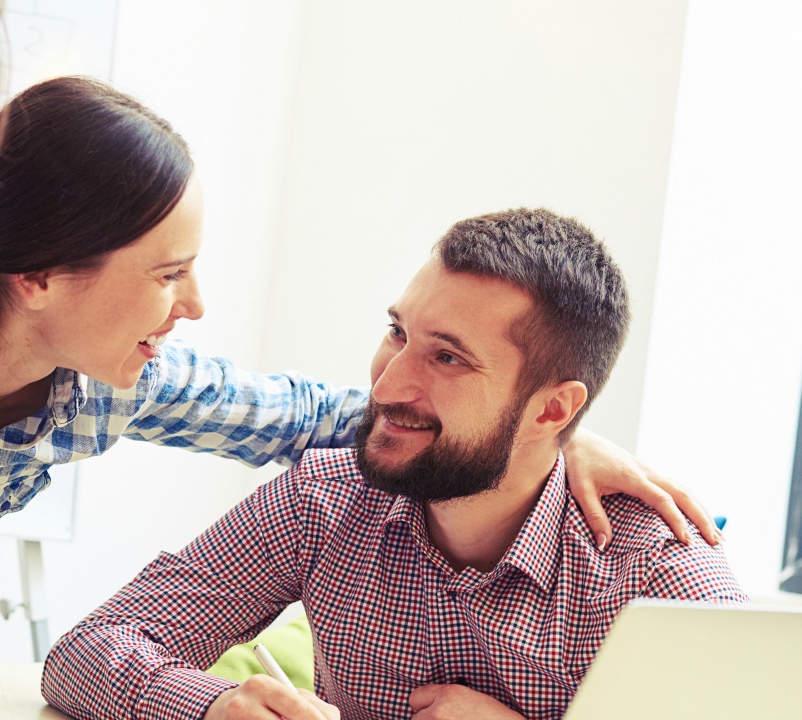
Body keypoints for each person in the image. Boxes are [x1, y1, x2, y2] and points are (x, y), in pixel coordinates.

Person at [0, 72, 718, 713]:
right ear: (40, 275)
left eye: (447, 356)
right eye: (168, 272)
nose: (192, 307)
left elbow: (331, 419)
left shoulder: (96, 385)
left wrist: (546, 443)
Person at [40, 208, 749, 720]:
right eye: (396, 333)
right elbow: (84, 653)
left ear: (551, 412)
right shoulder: (326, 497)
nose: (385, 386)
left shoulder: (656, 569)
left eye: (446, 357)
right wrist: (216, 705)